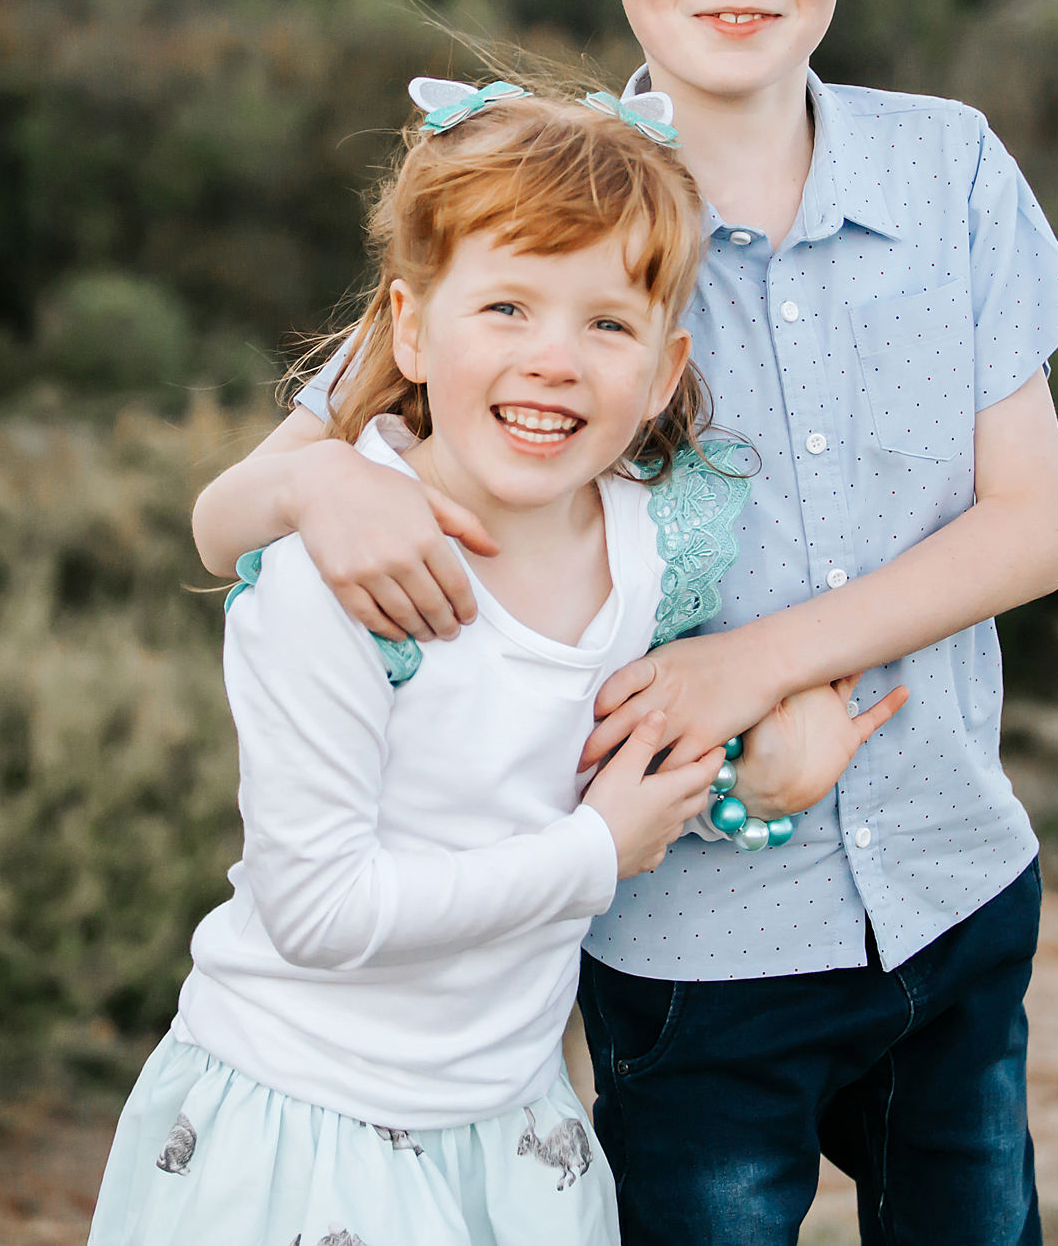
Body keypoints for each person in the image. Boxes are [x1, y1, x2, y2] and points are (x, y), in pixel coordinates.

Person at [190, 0, 1058, 1245]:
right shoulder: (554, 208)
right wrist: (327, 484)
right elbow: (230, 511)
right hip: (688, 942)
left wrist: (752, 661)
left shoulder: (948, 165)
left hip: (954, 883)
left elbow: (1033, 529)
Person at [88, 83, 888, 1246]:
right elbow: (319, 908)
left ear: (664, 372)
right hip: (306, 1125)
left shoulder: (655, 546)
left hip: (512, 1135)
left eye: (606, 324)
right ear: (409, 328)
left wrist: (748, 789)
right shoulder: (341, 579)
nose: (554, 359)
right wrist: (591, 853)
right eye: (506, 306)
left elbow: (598, 782)